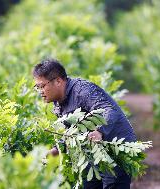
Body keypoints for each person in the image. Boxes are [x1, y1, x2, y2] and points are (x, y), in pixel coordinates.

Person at [33, 58, 136, 189]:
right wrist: (56, 150)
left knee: (113, 184)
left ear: (58, 81)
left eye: (42, 86)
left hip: (116, 145)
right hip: (92, 151)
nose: (40, 91)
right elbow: (71, 131)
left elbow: (109, 110)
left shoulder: (82, 91)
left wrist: (100, 131)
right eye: (37, 87)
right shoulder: (58, 101)